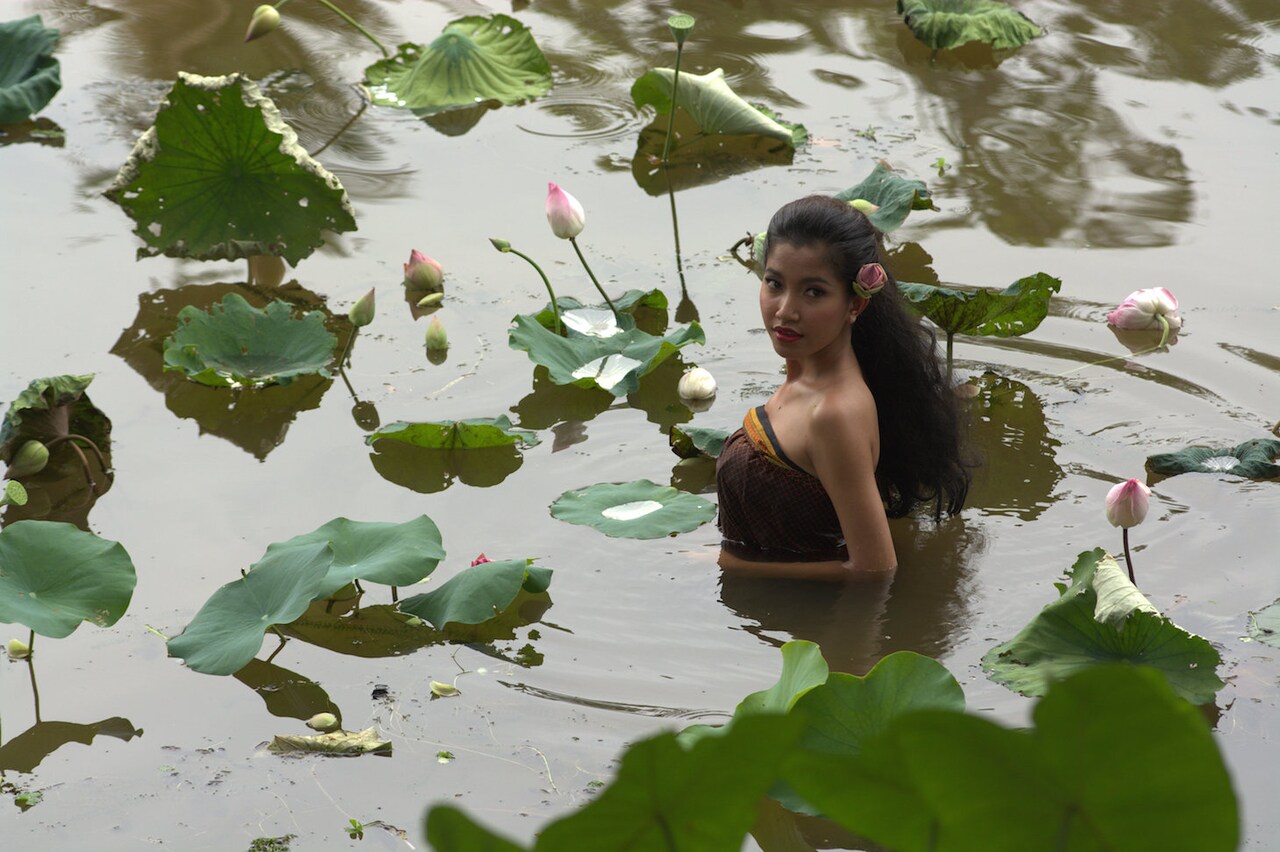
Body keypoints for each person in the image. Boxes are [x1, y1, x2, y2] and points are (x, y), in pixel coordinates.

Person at [716, 195, 972, 581]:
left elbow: (873, 568)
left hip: (799, 625)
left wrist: (729, 563)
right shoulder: (807, 374)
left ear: (855, 305)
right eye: (775, 283)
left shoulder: (835, 413)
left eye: (814, 292)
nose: (785, 310)